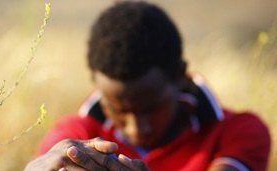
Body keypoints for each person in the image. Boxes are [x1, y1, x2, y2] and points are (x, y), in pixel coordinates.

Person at [25, 1, 271, 171]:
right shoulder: (75, 136)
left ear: (179, 76)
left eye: (150, 109)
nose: (135, 128)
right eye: (118, 110)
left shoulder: (237, 132)